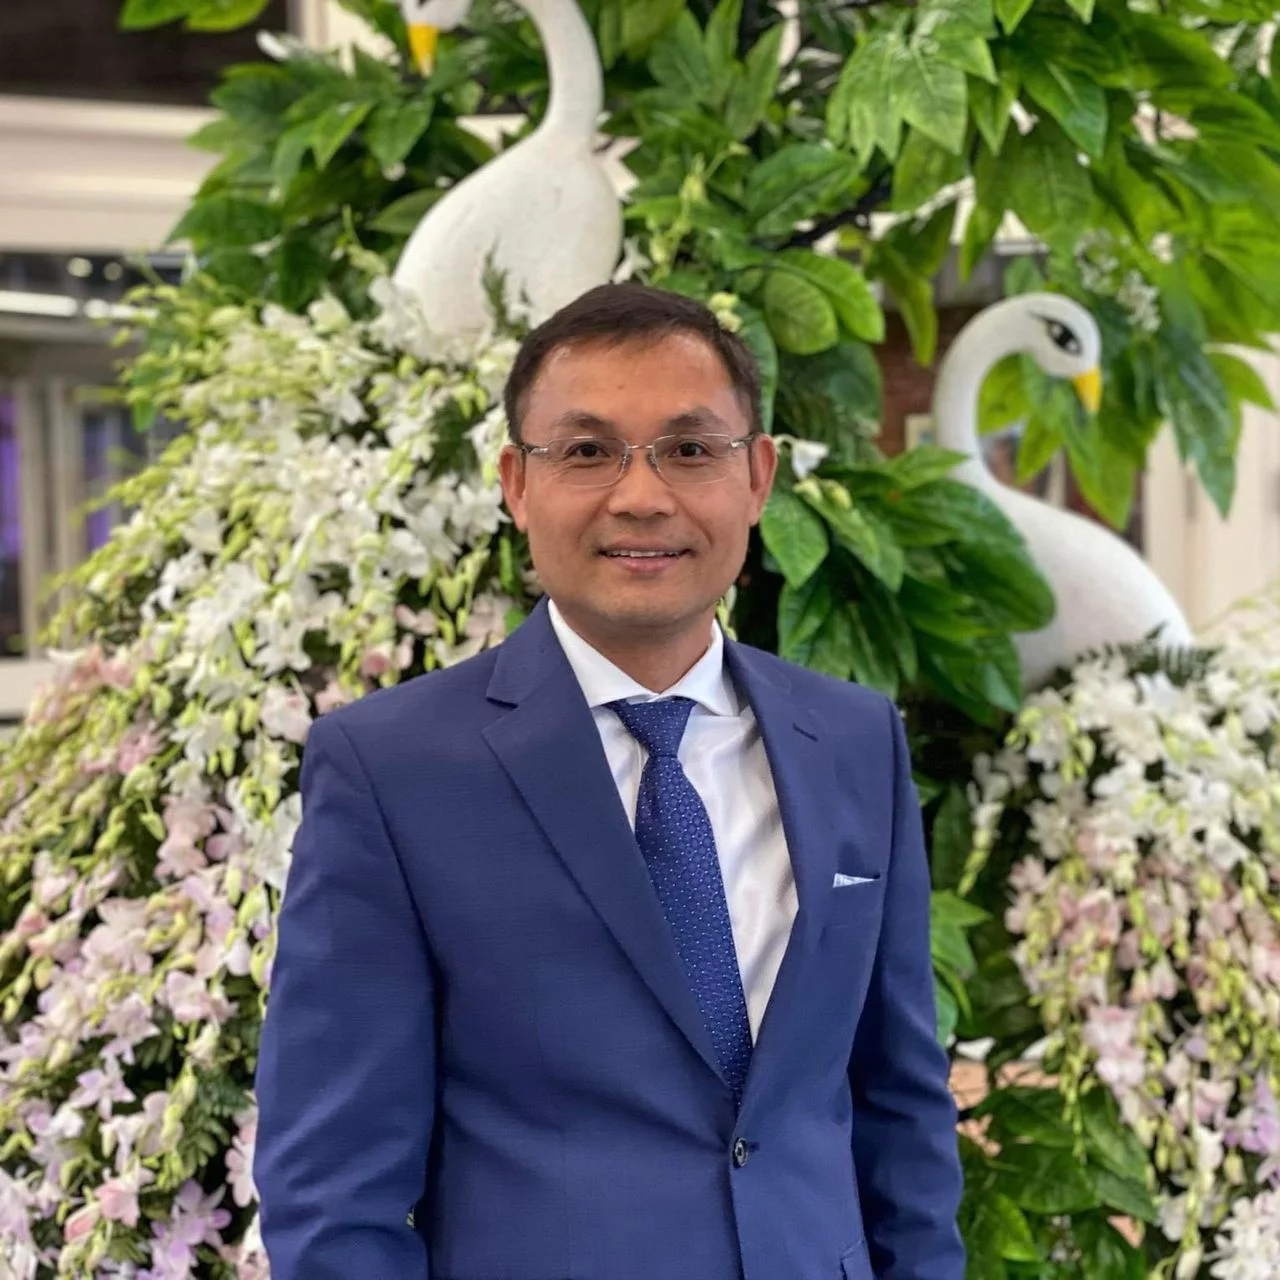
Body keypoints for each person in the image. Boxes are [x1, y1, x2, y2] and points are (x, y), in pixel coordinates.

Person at [254, 282, 965, 1280]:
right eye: (587, 451)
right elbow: (334, 1195)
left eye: (690, 449)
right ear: (515, 482)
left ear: (757, 477)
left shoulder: (852, 739)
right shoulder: (391, 769)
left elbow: (900, 1106)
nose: (641, 495)